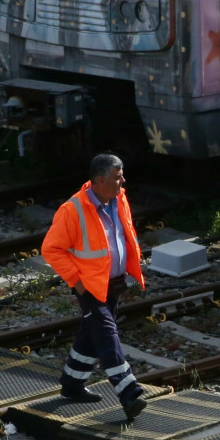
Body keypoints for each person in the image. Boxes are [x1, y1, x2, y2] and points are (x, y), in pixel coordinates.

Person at [41, 153, 151, 420]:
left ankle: (72, 384)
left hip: (113, 282)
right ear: (100, 180)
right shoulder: (73, 209)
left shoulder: (118, 198)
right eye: (117, 177)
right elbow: (50, 249)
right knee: (106, 333)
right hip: (89, 286)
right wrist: (77, 284)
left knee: (91, 334)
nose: (123, 181)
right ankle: (128, 392)